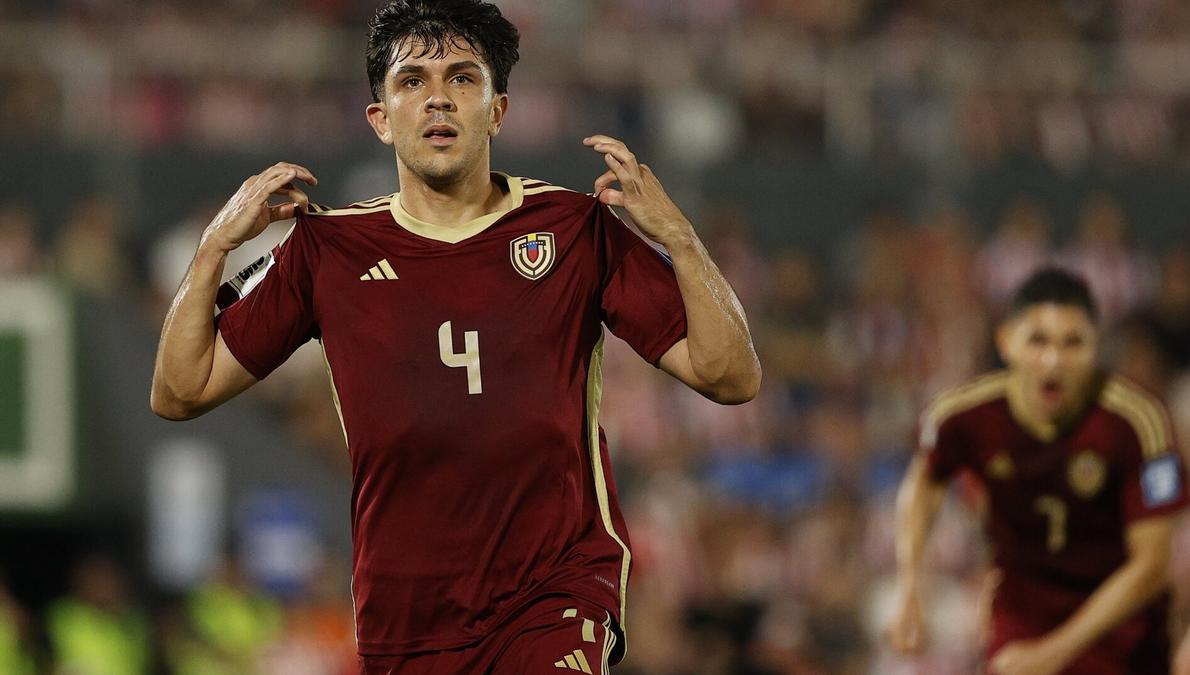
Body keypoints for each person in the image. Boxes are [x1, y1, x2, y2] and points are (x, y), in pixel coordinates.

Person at [149, 1, 760, 673]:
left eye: (463, 78)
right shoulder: (327, 250)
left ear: (497, 109)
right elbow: (180, 390)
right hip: (404, 616)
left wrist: (681, 239)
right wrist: (212, 250)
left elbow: (731, 376)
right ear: (380, 119)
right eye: (413, 81)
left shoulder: (574, 230)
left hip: (553, 594)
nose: (438, 99)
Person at [887, 267, 1190, 675]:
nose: (1053, 360)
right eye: (1038, 340)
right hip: (1021, 625)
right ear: (1006, 341)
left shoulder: (1141, 425)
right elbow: (923, 484)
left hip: (1121, 637)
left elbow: (1152, 565)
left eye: (1072, 343)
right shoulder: (961, 417)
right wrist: (910, 584)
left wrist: (1052, 652)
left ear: (1095, 347)